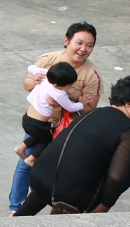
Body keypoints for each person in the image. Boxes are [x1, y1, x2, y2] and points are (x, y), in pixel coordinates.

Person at [9, 22, 101, 212]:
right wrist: (34, 82)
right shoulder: (48, 59)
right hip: (42, 122)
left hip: (68, 130)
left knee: (58, 170)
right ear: (67, 41)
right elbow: (27, 83)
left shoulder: (92, 75)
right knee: (26, 164)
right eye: (79, 43)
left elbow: (90, 111)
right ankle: (15, 207)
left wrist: (68, 98)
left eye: (89, 45)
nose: (83, 49)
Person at [14, 76, 130, 216]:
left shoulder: (93, 112)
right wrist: (103, 206)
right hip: (69, 198)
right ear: (128, 104)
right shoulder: (127, 129)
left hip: (39, 178)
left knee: (40, 198)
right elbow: (117, 177)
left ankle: (16, 220)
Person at [16, 62, 84, 166]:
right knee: (48, 139)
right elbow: (70, 107)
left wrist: (36, 75)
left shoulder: (46, 76)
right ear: (57, 85)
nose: (71, 87)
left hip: (27, 118)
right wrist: (82, 104)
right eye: (69, 85)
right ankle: (31, 159)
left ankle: (21, 148)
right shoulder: (59, 93)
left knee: (40, 136)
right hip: (38, 124)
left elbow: (31, 68)